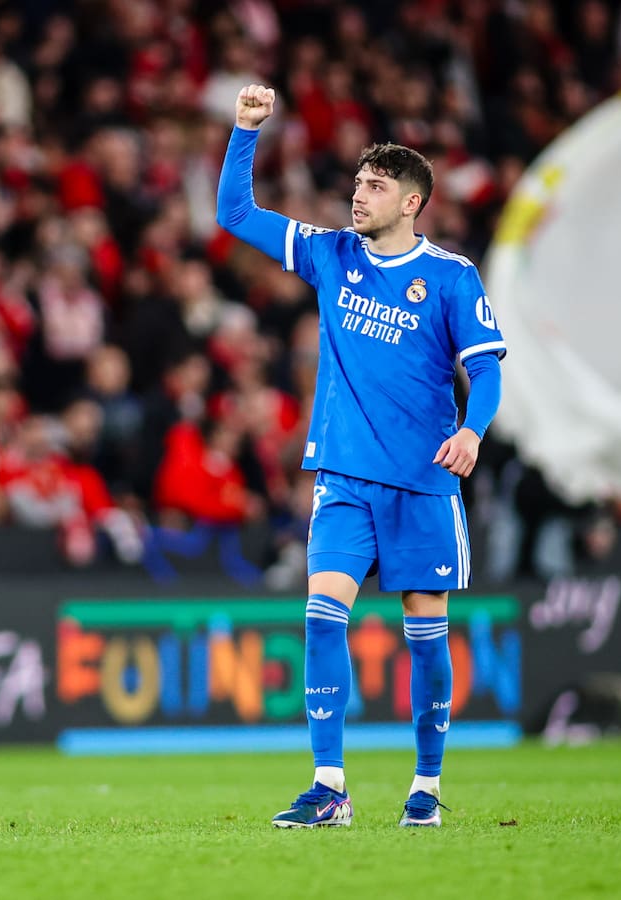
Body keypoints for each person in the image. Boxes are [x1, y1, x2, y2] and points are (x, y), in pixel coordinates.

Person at [216, 85, 505, 828]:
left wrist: (473, 430)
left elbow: (490, 367)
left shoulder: (450, 277)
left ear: (412, 202)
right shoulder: (331, 255)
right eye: (356, 183)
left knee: (426, 634)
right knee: (320, 616)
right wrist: (246, 131)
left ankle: (427, 786)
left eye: (375, 186)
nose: (358, 195)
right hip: (344, 481)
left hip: (422, 484)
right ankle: (330, 786)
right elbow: (235, 216)